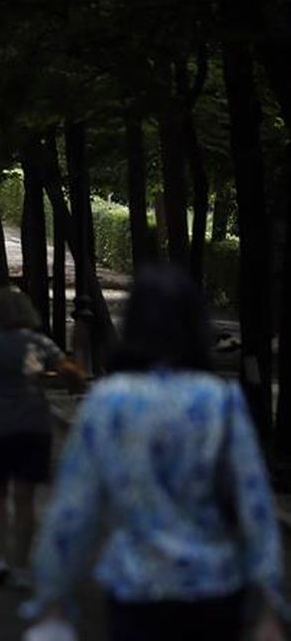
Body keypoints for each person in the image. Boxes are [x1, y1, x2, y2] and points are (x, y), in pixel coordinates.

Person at [24, 265, 288, 641]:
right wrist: (269, 604)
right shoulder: (220, 401)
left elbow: (73, 508)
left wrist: (51, 599)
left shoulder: (108, 402)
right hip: (214, 593)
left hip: (136, 591)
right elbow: (255, 506)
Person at [0, 288, 85, 589]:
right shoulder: (39, 344)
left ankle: (0, 559)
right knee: (25, 498)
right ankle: (21, 563)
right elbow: (70, 372)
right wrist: (74, 381)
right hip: (33, 424)